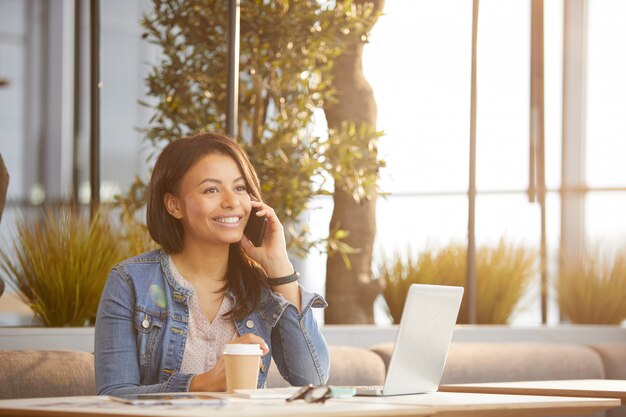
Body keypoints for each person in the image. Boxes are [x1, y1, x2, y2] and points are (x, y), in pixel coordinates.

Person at [95, 132, 330, 395]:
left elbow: (312, 379)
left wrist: (279, 267)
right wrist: (200, 384)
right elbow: (113, 395)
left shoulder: (260, 288)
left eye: (240, 187)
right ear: (174, 205)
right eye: (211, 189)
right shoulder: (130, 282)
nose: (231, 202)